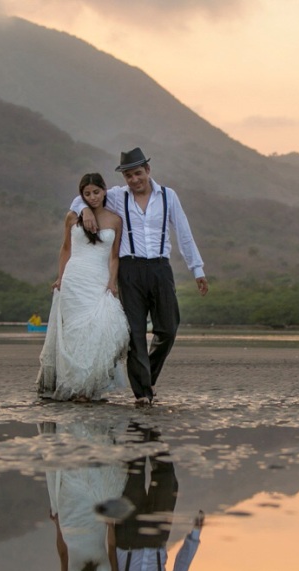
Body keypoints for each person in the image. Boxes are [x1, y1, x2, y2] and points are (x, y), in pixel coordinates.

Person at [69, 148, 208, 407]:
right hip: (129, 270)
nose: (134, 180)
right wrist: (85, 211)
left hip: (160, 268)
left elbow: (184, 233)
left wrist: (197, 269)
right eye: (128, 175)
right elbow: (85, 198)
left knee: (168, 327)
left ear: (148, 171)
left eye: (137, 173)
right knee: (135, 333)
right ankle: (143, 393)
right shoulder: (116, 197)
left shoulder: (168, 196)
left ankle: (146, 376)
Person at [38, 173, 129, 401]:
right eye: (87, 194)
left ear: (104, 190)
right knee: (74, 334)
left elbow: (114, 256)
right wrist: (60, 277)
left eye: (96, 192)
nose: (92, 197)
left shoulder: (115, 220)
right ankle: (75, 386)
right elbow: (66, 249)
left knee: (100, 328)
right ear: (81, 195)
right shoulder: (72, 217)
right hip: (74, 279)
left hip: (98, 278)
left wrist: (112, 282)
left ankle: (89, 385)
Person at [47, 464, 128, 571]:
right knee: (92, 475)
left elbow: (63, 553)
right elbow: (111, 547)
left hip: (70, 522)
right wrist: (110, 525)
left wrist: (57, 525)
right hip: (95, 525)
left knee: (70, 477)